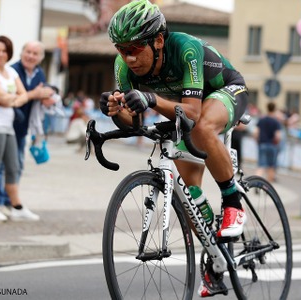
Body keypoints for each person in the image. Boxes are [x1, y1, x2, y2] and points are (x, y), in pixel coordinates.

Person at [101, 1, 248, 297]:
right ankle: (215, 258)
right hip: (183, 107)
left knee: (204, 128)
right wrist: (114, 109)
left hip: (222, 92)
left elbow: (192, 113)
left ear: (157, 40)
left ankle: (234, 202)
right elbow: (134, 122)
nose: (128, 58)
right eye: (121, 49)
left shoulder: (185, 48)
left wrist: (152, 99)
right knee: (190, 196)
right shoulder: (124, 67)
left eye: (135, 48)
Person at [0, 36, 39, 222]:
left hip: (7, 126)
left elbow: (23, 96)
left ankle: (17, 207)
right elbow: (3, 97)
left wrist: (9, 99)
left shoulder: (11, 72)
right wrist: (12, 99)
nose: (1, 54)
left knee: (13, 167)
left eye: (4, 50)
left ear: (9, 53)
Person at [0, 40, 54, 213]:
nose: (30, 56)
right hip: (5, 124)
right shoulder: (12, 70)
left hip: (22, 127)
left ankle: (9, 201)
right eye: (28, 52)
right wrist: (35, 94)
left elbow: (42, 93)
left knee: (17, 165)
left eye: (35, 53)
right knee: (1, 166)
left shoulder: (39, 73)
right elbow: (9, 96)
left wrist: (47, 95)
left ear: (40, 58)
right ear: (21, 53)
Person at [253, 102, 282, 182]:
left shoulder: (262, 120)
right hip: (272, 146)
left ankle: (255, 182)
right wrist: (277, 143)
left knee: (261, 166)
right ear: (274, 109)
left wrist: (257, 141)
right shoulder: (276, 122)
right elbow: (278, 136)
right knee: (271, 167)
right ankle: (267, 188)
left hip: (262, 144)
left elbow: (255, 133)